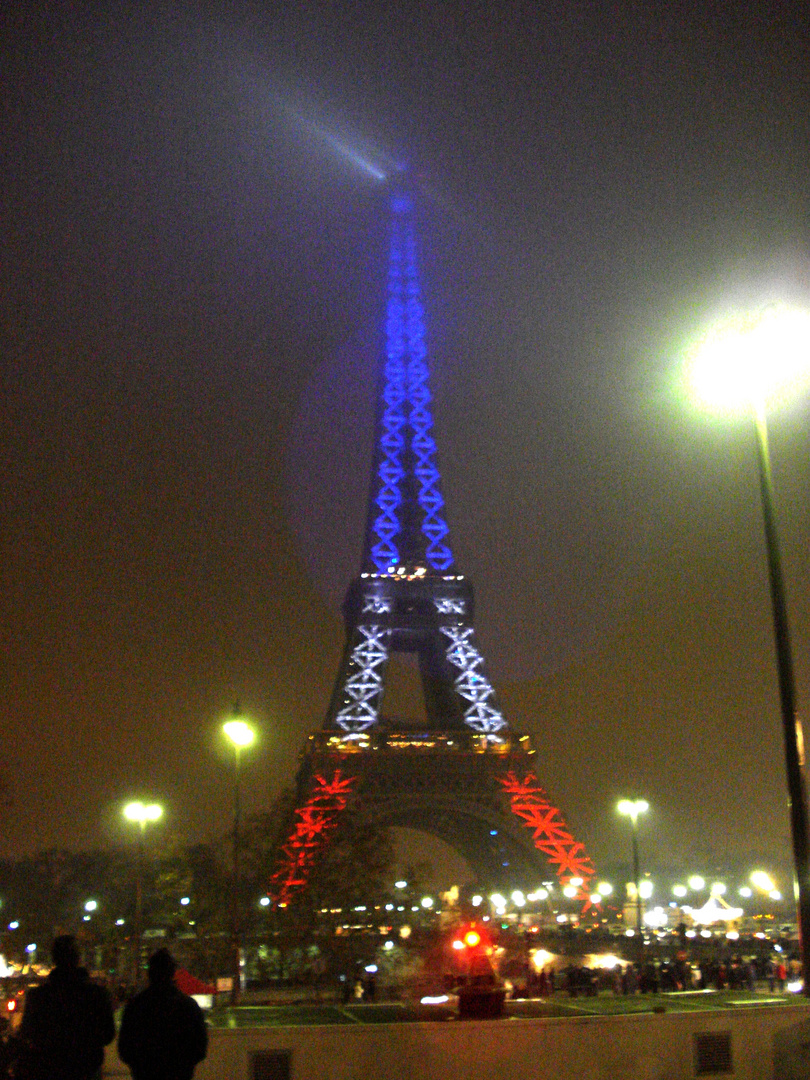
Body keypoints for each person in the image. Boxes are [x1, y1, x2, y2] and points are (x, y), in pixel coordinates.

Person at [16, 934, 115, 1080]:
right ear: (78, 958)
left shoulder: (39, 996)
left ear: (54, 959)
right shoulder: (96, 995)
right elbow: (107, 1034)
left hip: (50, 1069)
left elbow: (28, 1032)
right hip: (86, 1068)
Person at [118, 948, 208, 1080]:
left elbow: (125, 1048)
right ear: (172, 973)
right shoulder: (188, 1006)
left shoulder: (136, 1006)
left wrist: (140, 1066)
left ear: (149, 973)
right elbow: (200, 1047)